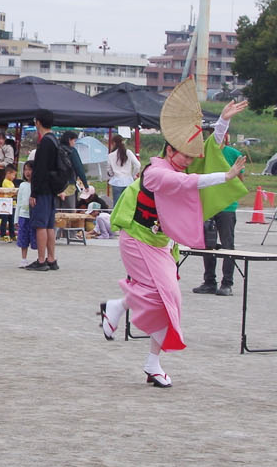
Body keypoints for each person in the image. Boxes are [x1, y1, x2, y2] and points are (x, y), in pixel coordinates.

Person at [98, 92, 249, 387]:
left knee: (171, 300)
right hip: (137, 238)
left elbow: (206, 154)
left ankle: (150, 358)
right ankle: (118, 308)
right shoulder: (156, 173)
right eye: (186, 155)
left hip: (161, 244)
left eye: (192, 157)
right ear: (170, 151)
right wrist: (226, 176)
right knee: (161, 296)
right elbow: (190, 181)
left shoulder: (181, 164)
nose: (191, 161)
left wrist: (221, 122)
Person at [194, 137, 246, 296]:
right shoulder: (203, 154)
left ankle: (227, 283)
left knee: (227, 244)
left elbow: (240, 180)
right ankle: (209, 281)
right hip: (208, 205)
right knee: (207, 244)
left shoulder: (232, 153)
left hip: (226, 206)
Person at [27, 111, 65, 271]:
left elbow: (40, 170)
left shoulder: (45, 143)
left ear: (38, 122)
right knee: (49, 226)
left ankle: (41, 260)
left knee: (40, 225)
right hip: (52, 189)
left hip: (42, 190)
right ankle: (51, 258)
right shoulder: (54, 140)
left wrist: (33, 192)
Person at [106, 131, 141, 206]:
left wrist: (113, 175)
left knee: (117, 205)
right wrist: (133, 175)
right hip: (128, 181)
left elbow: (109, 170)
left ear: (114, 143)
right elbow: (138, 165)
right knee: (128, 204)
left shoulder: (110, 155)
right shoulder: (128, 152)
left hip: (116, 181)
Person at [14, 164, 36, 267]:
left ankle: (39, 257)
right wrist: (16, 218)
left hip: (34, 216)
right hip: (23, 215)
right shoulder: (22, 185)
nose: (28, 172)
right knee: (23, 238)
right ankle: (23, 259)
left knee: (35, 238)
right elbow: (18, 203)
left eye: (30, 169)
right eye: (26, 170)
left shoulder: (37, 185)